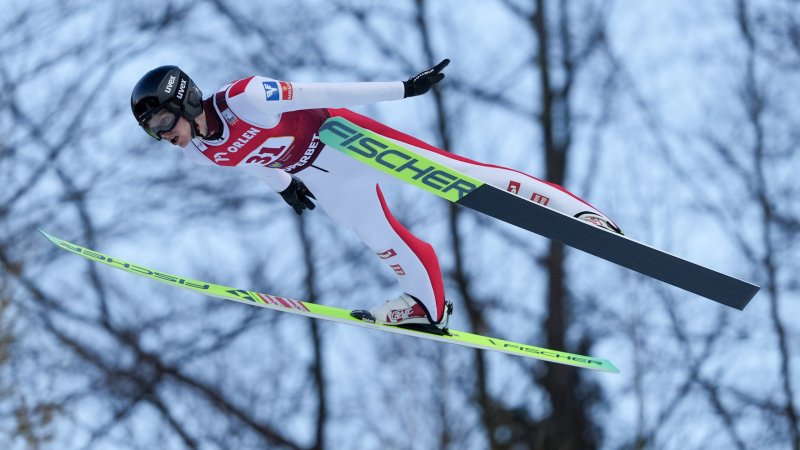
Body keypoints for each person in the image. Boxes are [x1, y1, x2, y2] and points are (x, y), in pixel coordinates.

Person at [130, 60, 621, 331]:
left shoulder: (247, 97)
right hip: (316, 172)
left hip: (341, 137)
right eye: (154, 132)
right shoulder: (197, 152)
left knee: (454, 172)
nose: (164, 136)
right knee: (375, 234)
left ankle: (577, 213)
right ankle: (428, 307)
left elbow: (319, 90)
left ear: (186, 100)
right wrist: (285, 187)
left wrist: (402, 89)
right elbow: (249, 162)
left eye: (164, 122)